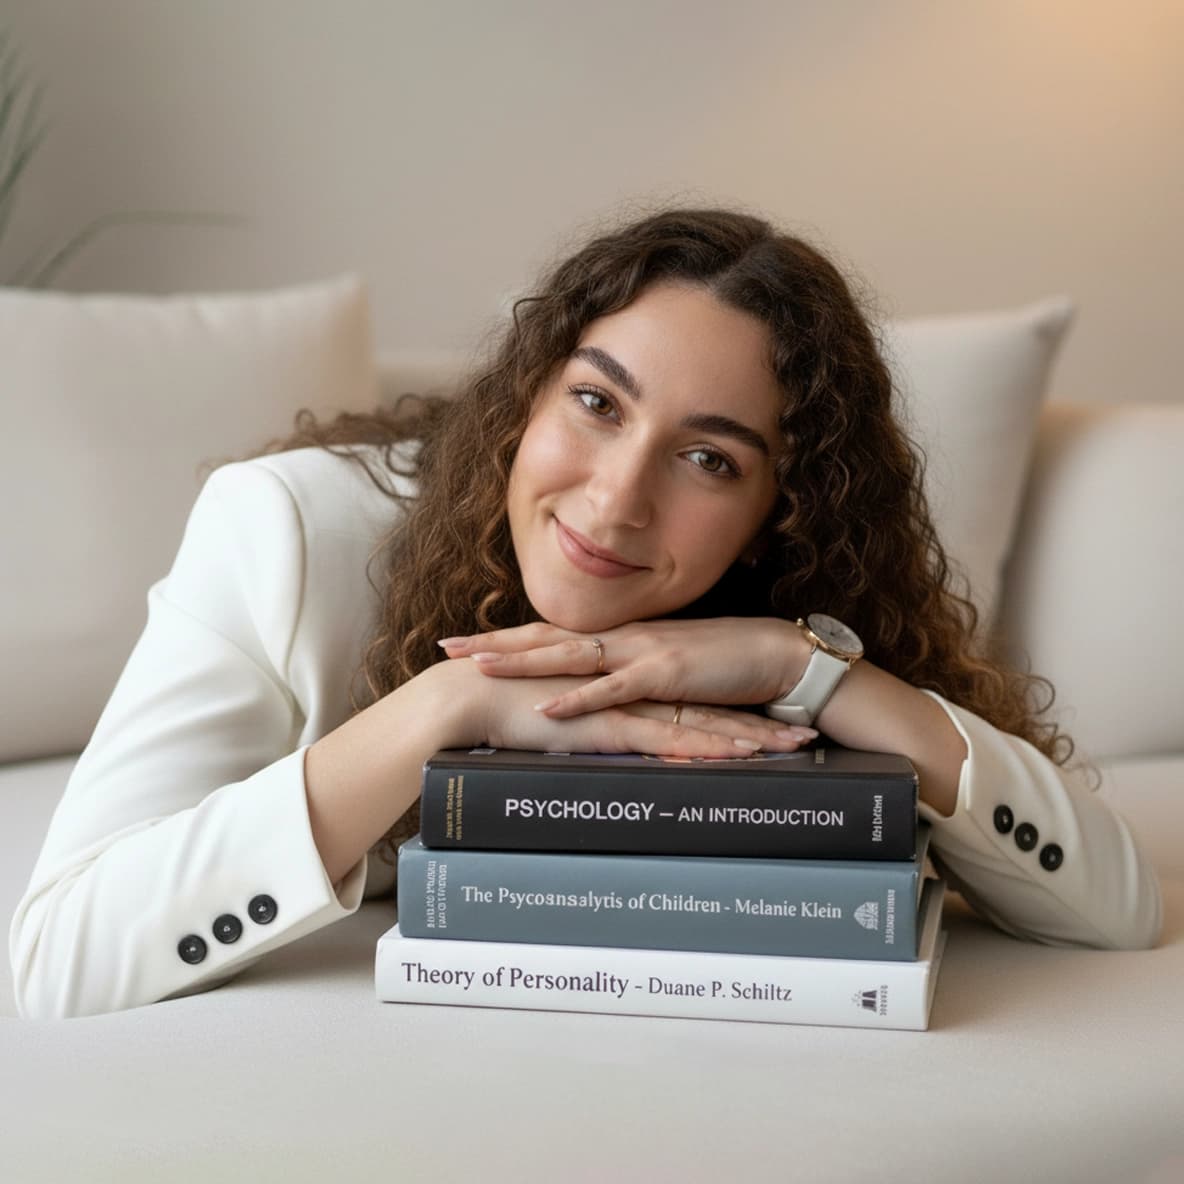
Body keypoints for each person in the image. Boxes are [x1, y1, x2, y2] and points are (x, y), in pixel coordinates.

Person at [9, 208, 1162, 1019]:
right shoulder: (284, 533)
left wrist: (803, 668)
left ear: (778, 511)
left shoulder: (788, 608)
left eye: (709, 458)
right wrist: (450, 710)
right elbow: (58, 955)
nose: (614, 502)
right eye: (597, 402)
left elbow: (1112, 904)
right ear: (524, 396)